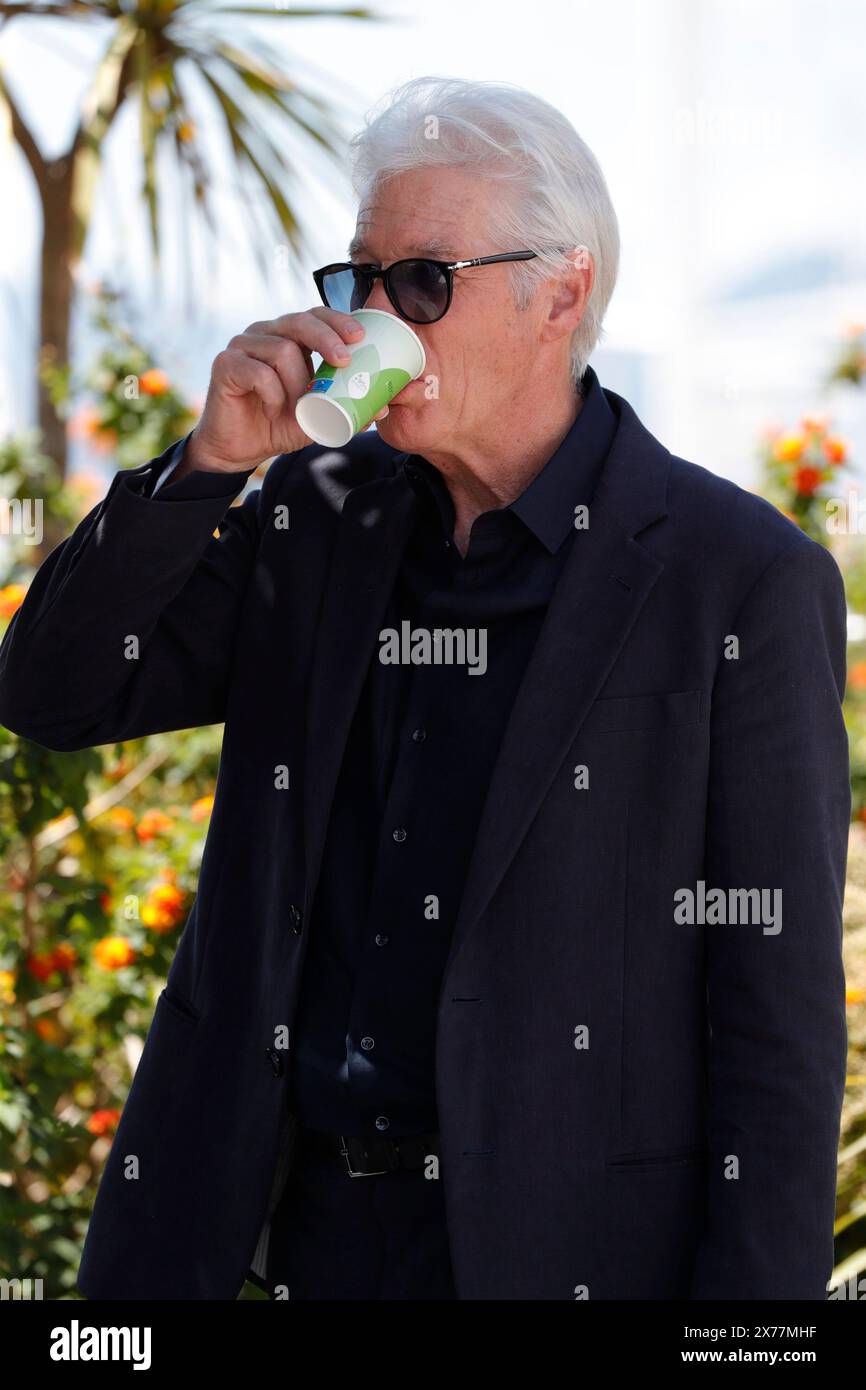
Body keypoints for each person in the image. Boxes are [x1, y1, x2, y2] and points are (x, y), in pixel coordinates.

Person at [0, 75, 849, 1300]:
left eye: (423, 284)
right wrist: (207, 465)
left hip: (556, 1259)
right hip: (279, 1238)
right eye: (360, 281)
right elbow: (53, 692)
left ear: (560, 292)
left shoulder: (736, 582)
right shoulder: (309, 515)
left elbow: (774, 1030)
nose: (375, 322)